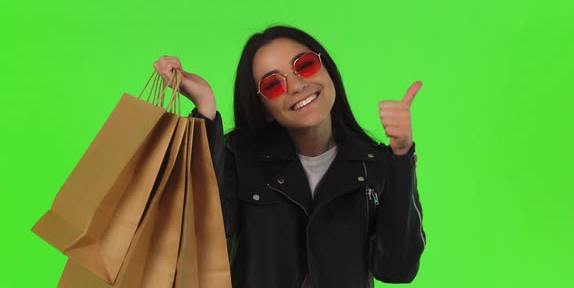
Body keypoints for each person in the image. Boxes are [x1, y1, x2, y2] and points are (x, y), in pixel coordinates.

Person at [153, 25, 425, 288]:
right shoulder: (241, 155)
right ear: (264, 107)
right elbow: (201, 236)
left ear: (327, 69)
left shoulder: (374, 164)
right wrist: (205, 111)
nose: (296, 86)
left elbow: (397, 269)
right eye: (273, 85)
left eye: (305, 65)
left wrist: (401, 156)